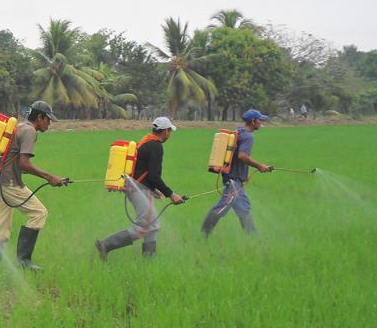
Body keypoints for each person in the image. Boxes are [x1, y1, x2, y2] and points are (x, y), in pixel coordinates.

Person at [0, 100, 66, 271]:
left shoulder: (20, 126)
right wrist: (49, 177)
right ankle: (24, 261)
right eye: (48, 120)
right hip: (9, 183)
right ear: (39, 117)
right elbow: (23, 164)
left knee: (0, 227)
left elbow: (14, 160)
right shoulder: (30, 131)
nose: (49, 124)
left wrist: (51, 177)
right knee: (39, 213)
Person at [95, 117, 185, 259]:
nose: (170, 134)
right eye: (170, 131)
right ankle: (106, 244)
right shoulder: (156, 146)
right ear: (166, 131)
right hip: (137, 188)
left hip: (137, 187)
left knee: (153, 225)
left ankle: (148, 261)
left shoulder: (146, 142)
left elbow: (143, 172)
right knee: (145, 225)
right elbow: (154, 176)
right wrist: (171, 194)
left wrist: (154, 190)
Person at [201, 109, 272, 236]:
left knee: (243, 207)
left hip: (232, 178)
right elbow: (242, 156)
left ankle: (253, 237)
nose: (261, 122)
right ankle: (204, 234)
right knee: (223, 206)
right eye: (260, 120)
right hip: (234, 179)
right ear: (253, 121)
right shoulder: (248, 136)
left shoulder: (238, 132)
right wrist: (259, 166)